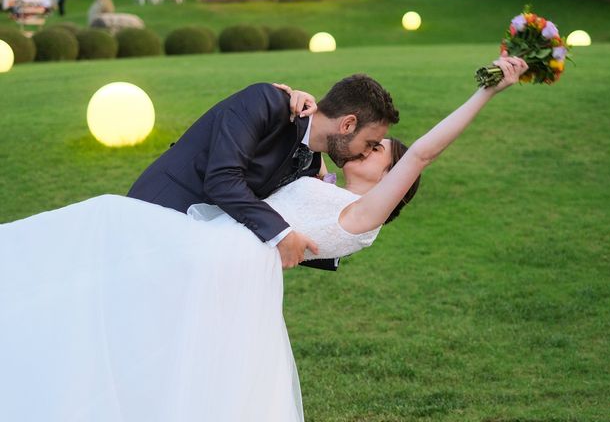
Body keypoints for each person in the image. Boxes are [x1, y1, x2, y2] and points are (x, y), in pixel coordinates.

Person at [0, 57, 528, 421]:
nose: (369, 151)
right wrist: (287, 95)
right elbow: (273, 164)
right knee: (140, 333)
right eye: (370, 142)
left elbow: (422, 154)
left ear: (395, 180)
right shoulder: (319, 173)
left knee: (96, 260)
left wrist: (486, 90)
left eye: (376, 152)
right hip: (213, 251)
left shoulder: (364, 213)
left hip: (219, 262)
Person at [128, 74, 399, 271]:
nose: (366, 153)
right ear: (348, 124)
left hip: (202, 251)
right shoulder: (265, 102)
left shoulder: (312, 163)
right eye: (370, 144)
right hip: (158, 213)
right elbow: (222, 180)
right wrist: (281, 233)